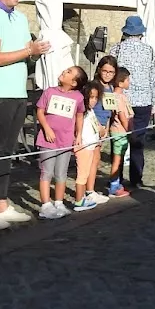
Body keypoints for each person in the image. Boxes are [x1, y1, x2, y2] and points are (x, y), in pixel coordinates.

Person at [0, 0, 51, 230]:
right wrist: (28, 50)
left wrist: (37, 51)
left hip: (18, 91)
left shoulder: (20, 18)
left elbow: (27, 54)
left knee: (9, 151)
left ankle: (2, 203)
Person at [110, 16, 155, 189]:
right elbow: (153, 78)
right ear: (141, 33)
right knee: (138, 140)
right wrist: (153, 102)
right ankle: (136, 179)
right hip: (143, 100)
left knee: (118, 139)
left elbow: (109, 75)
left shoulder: (116, 49)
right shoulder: (149, 50)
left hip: (120, 100)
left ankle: (117, 178)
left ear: (125, 32)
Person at [34, 66, 86, 220]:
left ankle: (59, 202)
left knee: (61, 173)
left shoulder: (78, 97)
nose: (64, 71)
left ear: (74, 82)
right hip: (48, 140)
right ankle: (45, 205)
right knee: (46, 172)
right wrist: (47, 129)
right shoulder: (49, 92)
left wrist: (78, 134)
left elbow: (80, 116)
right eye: (66, 70)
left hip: (66, 140)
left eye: (69, 72)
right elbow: (40, 111)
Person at [73, 82, 109, 212]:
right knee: (82, 175)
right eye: (91, 97)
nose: (93, 100)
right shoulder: (81, 113)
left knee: (86, 172)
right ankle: (79, 200)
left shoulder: (91, 111)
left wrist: (101, 130)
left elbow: (97, 125)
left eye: (95, 98)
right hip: (84, 146)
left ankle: (83, 197)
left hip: (91, 145)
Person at [91, 55, 117, 190]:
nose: (107, 75)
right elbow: (89, 109)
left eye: (111, 72)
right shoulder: (95, 86)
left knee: (96, 158)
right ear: (99, 70)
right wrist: (98, 126)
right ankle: (88, 189)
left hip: (103, 125)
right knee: (93, 159)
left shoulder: (111, 88)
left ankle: (91, 187)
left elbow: (109, 110)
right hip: (93, 125)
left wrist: (106, 127)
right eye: (105, 71)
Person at [107, 68, 132, 198]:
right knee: (117, 161)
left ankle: (116, 184)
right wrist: (129, 130)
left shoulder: (120, 96)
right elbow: (122, 116)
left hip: (121, 132)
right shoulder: (118, 97)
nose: (129, 82)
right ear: (121, 83)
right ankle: (113, 187)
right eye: (127, 80)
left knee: (120, 159)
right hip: (120, 132)